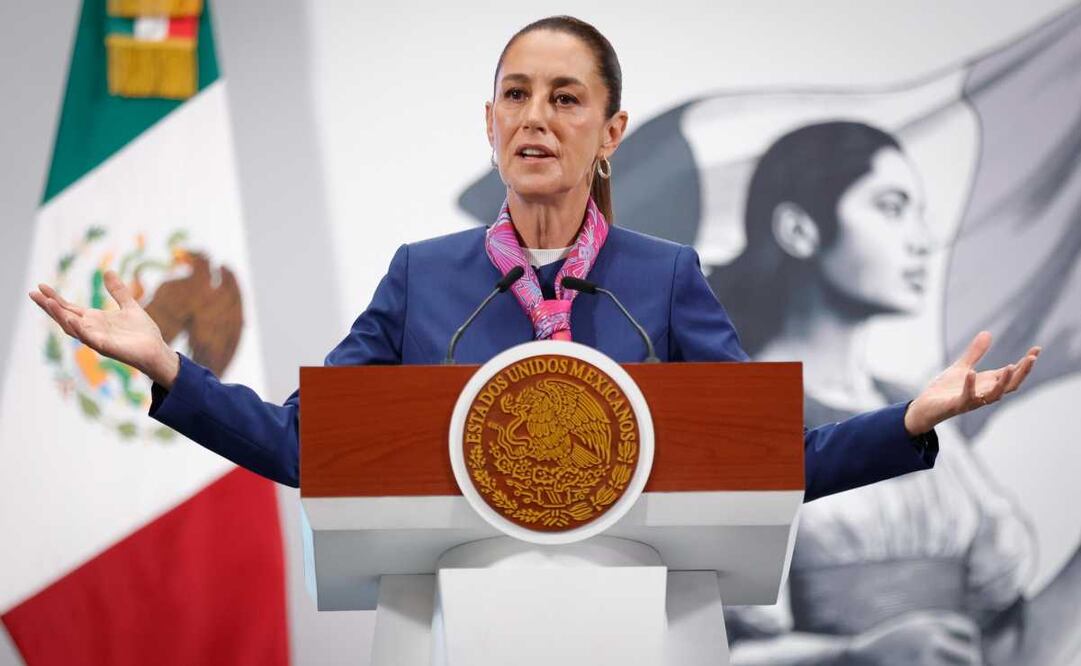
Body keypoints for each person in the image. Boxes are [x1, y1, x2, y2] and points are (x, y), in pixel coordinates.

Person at [29, 17, 1038, 503]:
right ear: (488, 121)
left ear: (611, 131)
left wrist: (908, 421)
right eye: (515, 94)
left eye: (564, 98)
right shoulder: (422, 279)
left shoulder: (668, 282)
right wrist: (168, 368)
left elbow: (767, 459)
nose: (535, 118)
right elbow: (307, 447)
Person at [710, 122, 1079, 665]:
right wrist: (854, 654)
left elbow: (1008, 641)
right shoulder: (736, 412)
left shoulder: (916, 406)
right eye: (891, 206)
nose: (922, 240)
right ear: (799, 229)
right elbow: (710, 648)